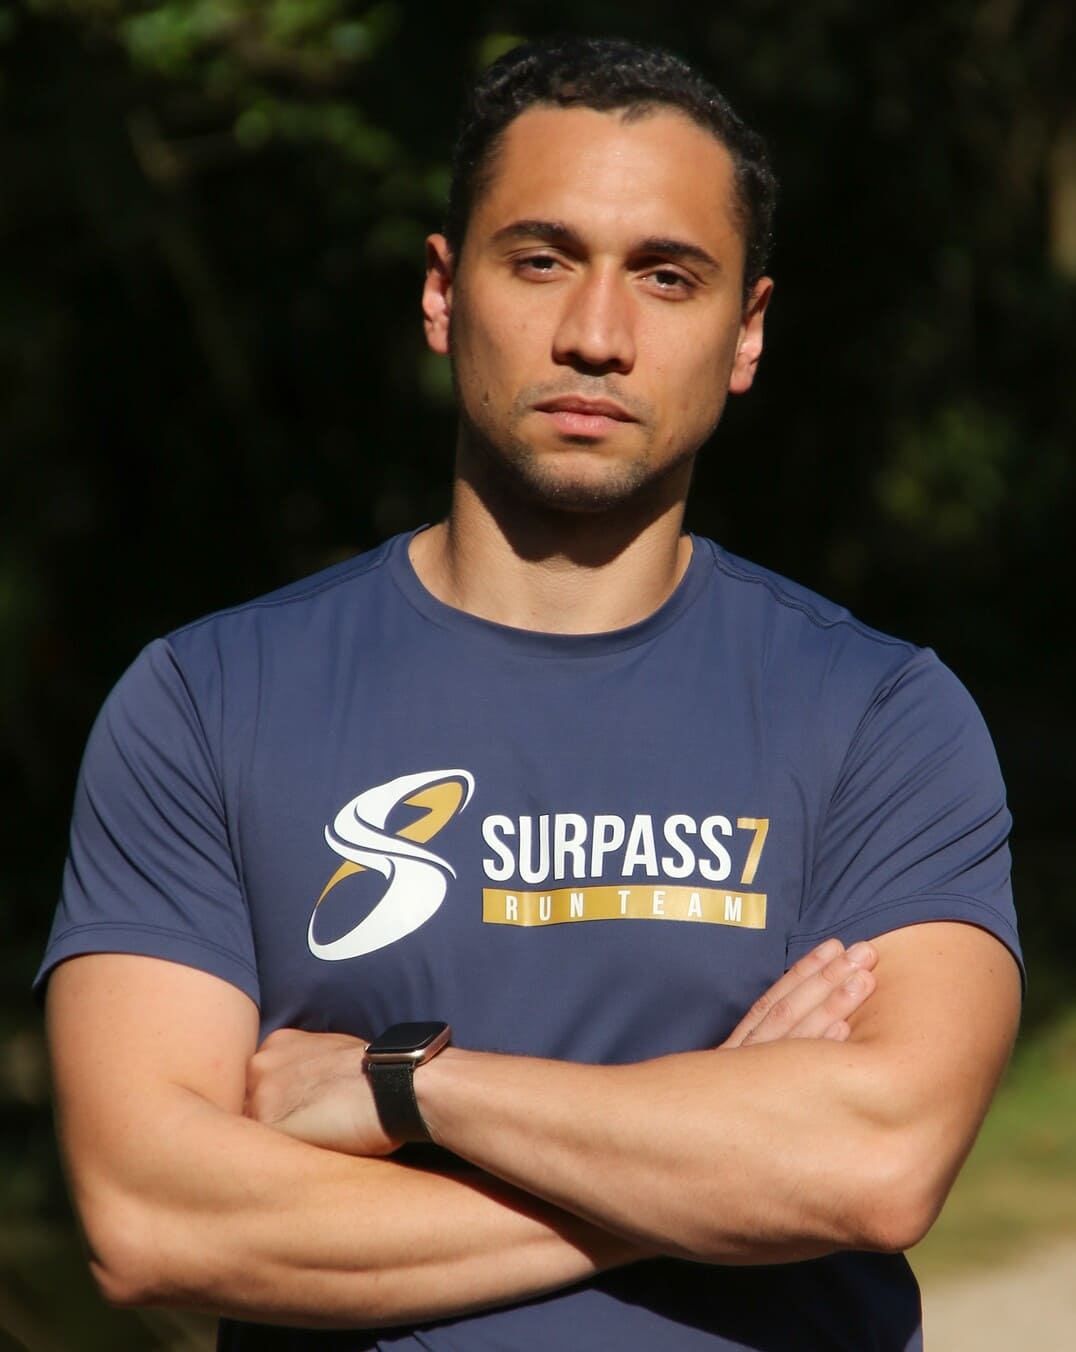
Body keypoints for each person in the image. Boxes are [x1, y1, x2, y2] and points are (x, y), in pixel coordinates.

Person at [38, 35, 1022, 1352]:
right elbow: (155, 1217)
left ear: (747, 332)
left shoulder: (879, 716)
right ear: (444, 293)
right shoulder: (206, 704)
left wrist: (410, 1088)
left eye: (667, 277)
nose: (596, 337)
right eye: (542, 260)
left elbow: (873, 1166)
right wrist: (707, 1161)